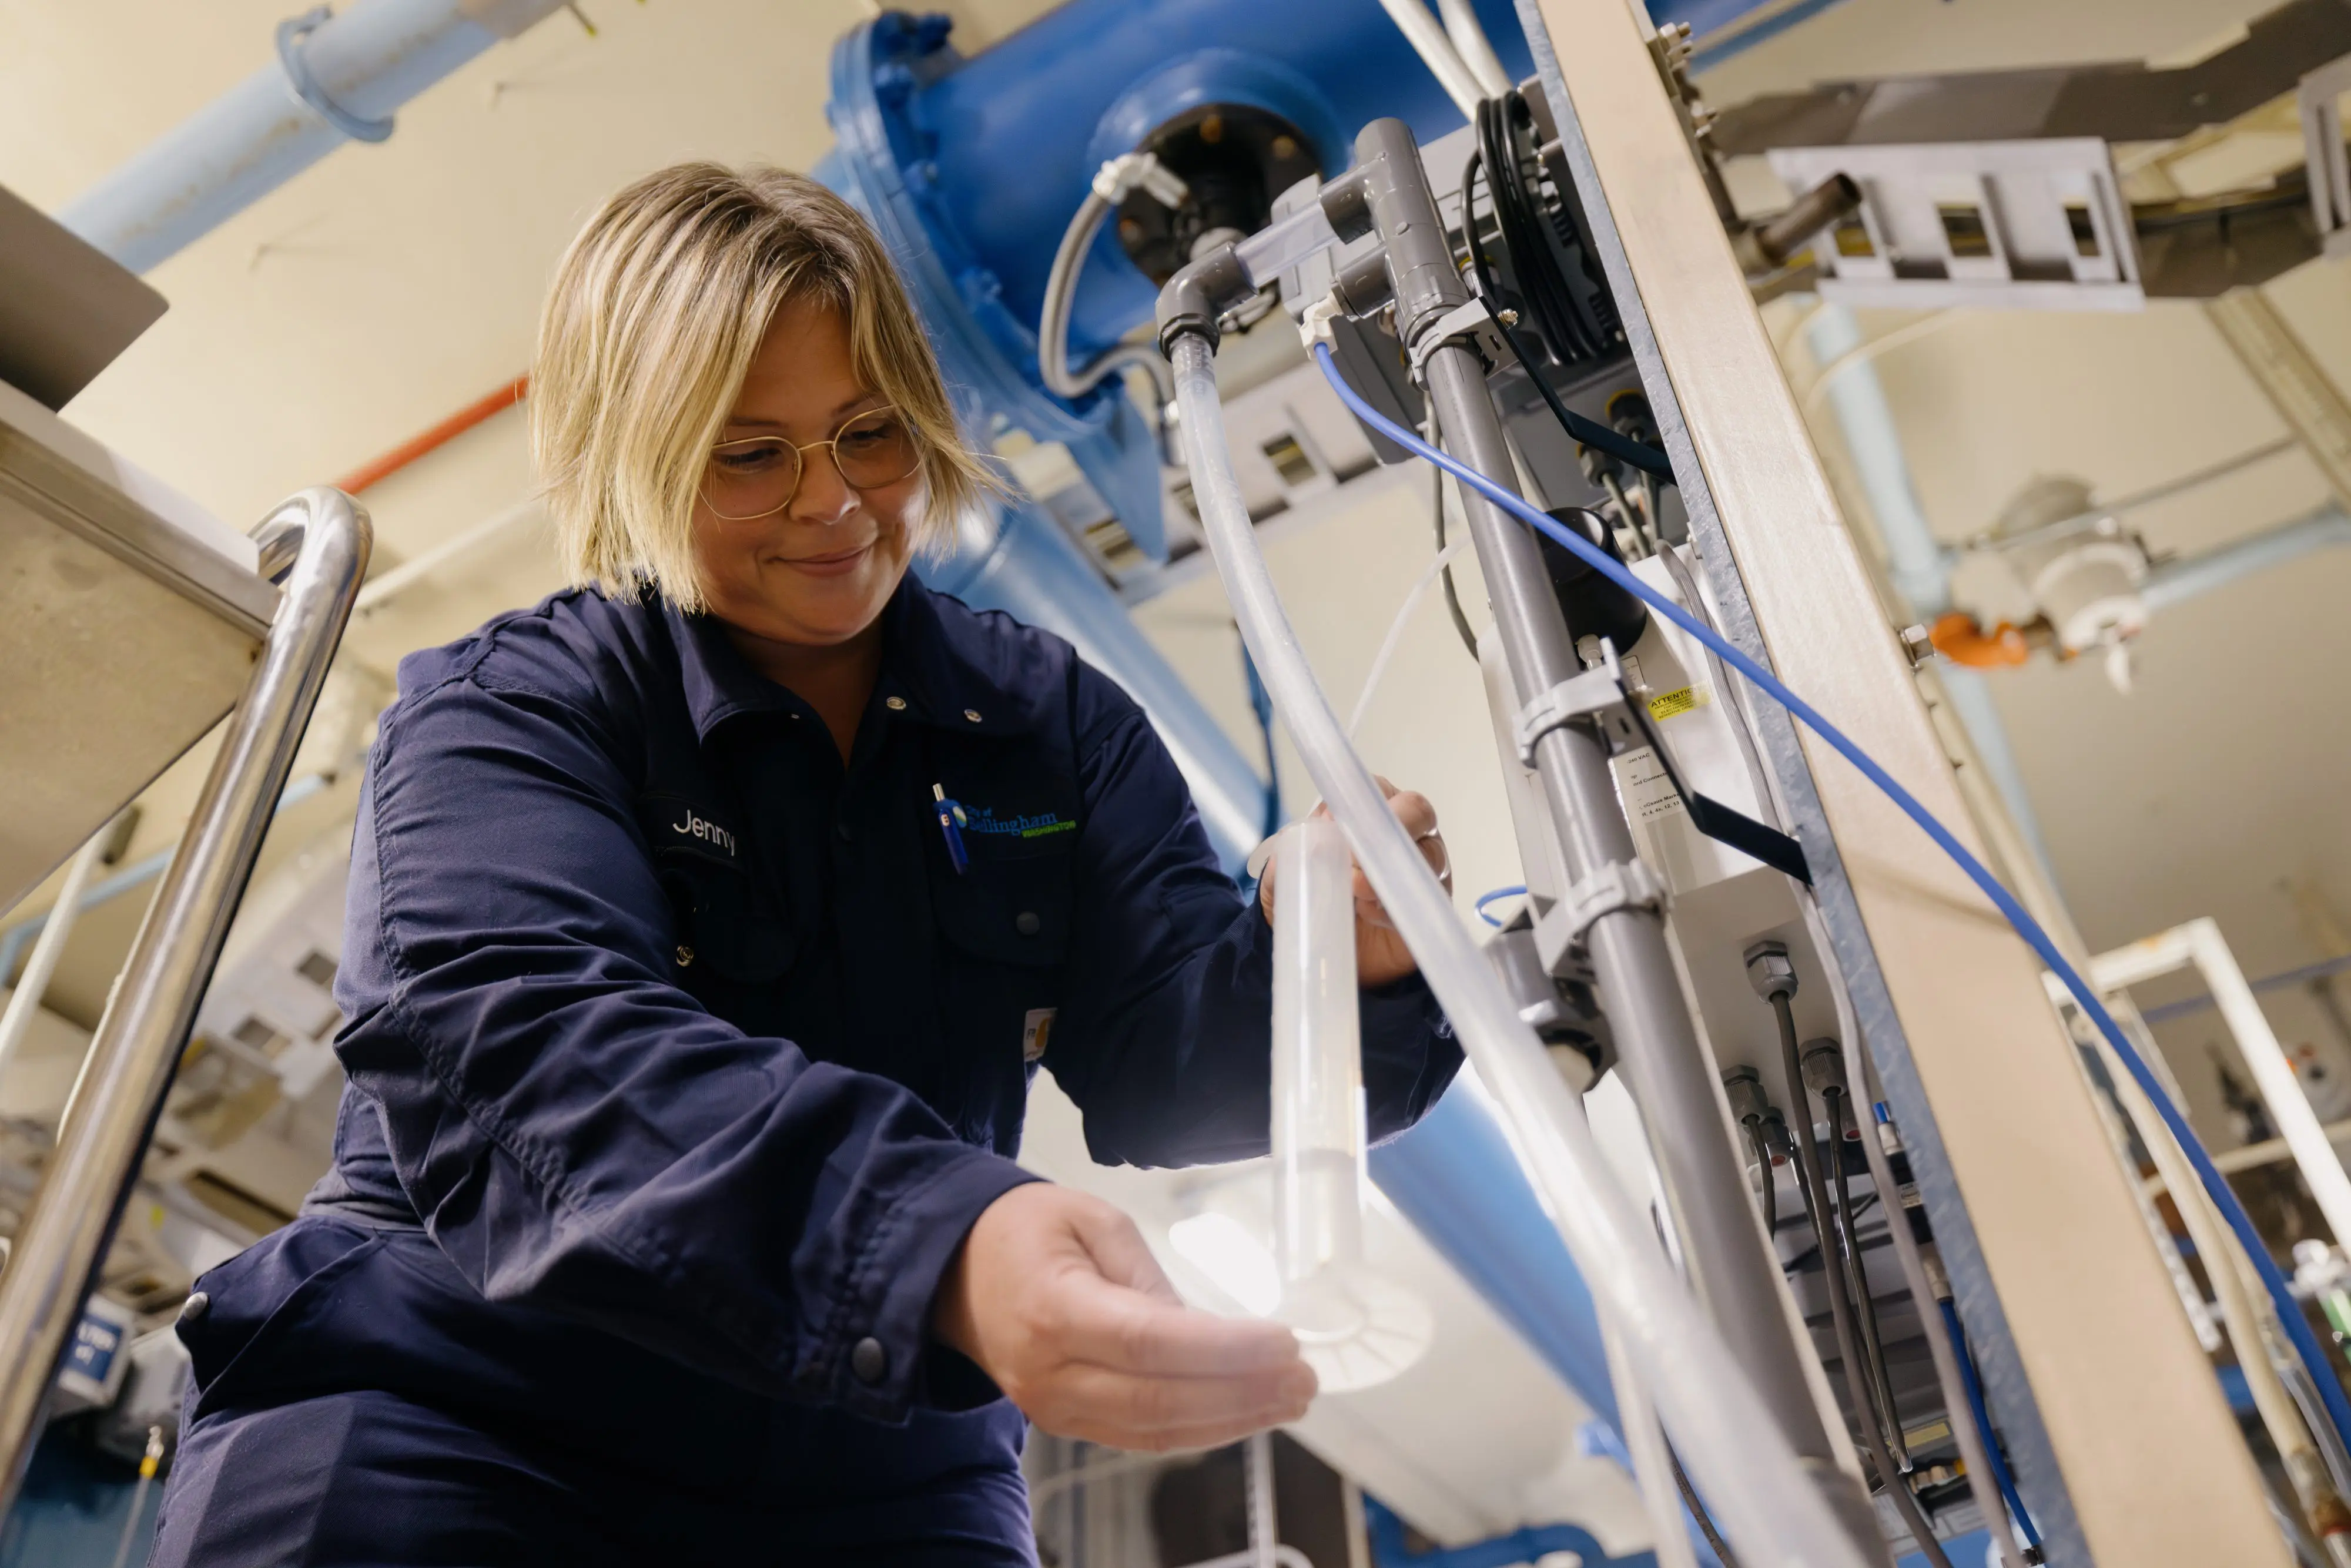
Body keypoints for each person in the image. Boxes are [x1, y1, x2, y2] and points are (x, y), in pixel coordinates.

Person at [149, 164, 1461, 1567]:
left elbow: (1164, 1048)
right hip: (461, 1393)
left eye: (868, 431)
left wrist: (1347, 968)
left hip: (871, 1461)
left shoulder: (1049, 724)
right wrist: (940, 1241)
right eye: (749, 453)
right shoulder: (511, 709)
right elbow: (532, 1052)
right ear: (632, 457)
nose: (833, 502)